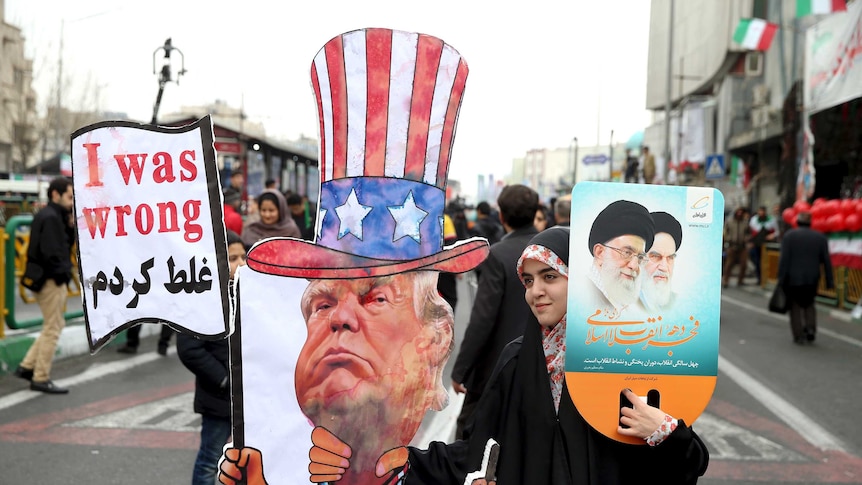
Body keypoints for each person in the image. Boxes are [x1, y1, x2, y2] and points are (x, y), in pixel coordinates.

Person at [300, 227, 710, 484]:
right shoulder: (517, 360)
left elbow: (688, 465)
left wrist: (666, 432)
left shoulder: (626, 359)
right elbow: (478, 450)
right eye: (528, 281)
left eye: (551, 277)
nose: (536, 292)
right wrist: (398, 459)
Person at [451, 184, 539, 438]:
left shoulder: (498, 255)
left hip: (497, 368)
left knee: (468, 436)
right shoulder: (550, 250)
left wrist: (461, 370)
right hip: (539, 365)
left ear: (501, 215)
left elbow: (483, 318)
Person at [177, 230, 245, 485]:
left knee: (247, 460)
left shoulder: (250, 296)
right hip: (218, 399)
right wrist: (224, 380)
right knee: (210, 460)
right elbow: (189, 349)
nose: (240, 264)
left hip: (249, 399)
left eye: (243, 257)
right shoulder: (203, 300)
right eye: (232, 258)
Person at [14, 177, 76, 394]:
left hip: (48, 279)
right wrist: (63, 274)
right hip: (51, 281)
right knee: (53, 328)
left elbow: (63, 245)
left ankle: (26, 367)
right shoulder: (50, 217)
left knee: (53, 325)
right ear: (55, 195)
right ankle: (40, 377)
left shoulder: (53, 215)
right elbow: (53, 253)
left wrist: (70, 227)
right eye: (69, 197)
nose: (72, 202)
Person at [582, 200, 655, 320]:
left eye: (640, 257)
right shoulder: (581, 298)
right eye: (627, 253)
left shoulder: (632, 305)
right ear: (600, 253)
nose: (634, 265)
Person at [777, 211, 834, 345]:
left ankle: (798, 335)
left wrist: (781, 278)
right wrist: (829, 281)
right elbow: (826, 260)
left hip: (793, 278)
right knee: (809, 303)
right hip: (812, 278)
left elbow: (784, 259)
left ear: (797, 222)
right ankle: (810, 329)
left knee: (795, 306)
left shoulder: (789, 236)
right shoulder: (820, 237)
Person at [640, 211, 682, 313]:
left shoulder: (680, 303)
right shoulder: (621, 304)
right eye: (655, 256)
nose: (664, 267)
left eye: (670, 258)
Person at [749, 205, 778, 285]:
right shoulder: (754, 220)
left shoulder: (771, 220)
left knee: (766, 262)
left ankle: (766, 279)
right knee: (757, 261)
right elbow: (751, 232)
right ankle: (759, 278)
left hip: (767, 244)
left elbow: (776, 232)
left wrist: (772, 236)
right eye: (760, 211)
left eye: (762, 211)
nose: (761, 213)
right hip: (757, 244)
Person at [722, 207, 750, 288]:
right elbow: (725, 232)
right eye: (738, 212)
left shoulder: (745, 223)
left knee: (744, 264)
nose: (739, 213)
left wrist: (746, 239)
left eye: (741, 212)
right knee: (729, 264)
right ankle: (725, 280)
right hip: (732, 245)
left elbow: (748, 233)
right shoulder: (730, 222)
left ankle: (740, 281)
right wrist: (727, 239)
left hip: (742, 246)